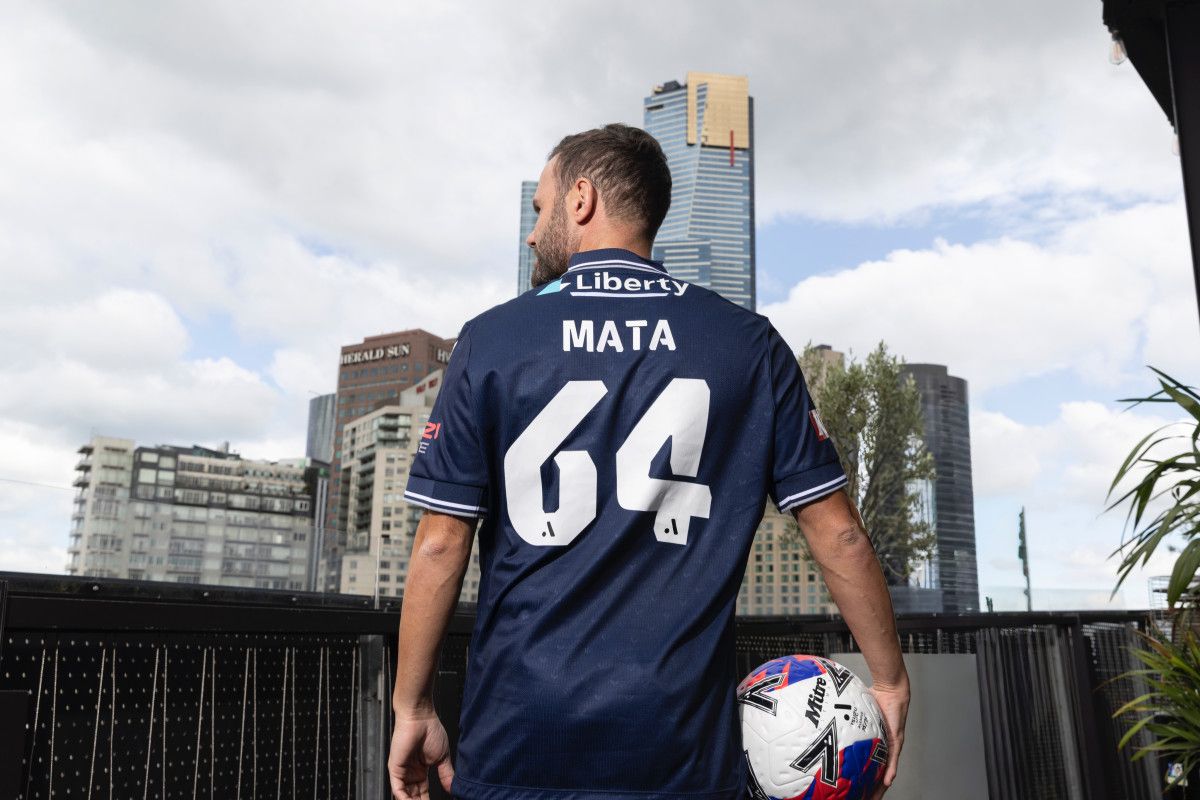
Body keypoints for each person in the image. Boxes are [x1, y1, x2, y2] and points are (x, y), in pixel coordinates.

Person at [388, 123, 909, 800]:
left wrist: (413, 707)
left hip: (518, 741)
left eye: (540, 209)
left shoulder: (489, 340)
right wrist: (889, 680)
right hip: (681, 752)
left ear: (581, 199)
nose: (532, 233)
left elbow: (439, 544)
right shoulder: (748, 344)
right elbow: (839, 533)